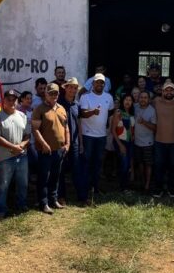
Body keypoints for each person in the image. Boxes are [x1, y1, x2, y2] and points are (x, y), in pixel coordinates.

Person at [0, 89, 31, 220]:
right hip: (5, 158)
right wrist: (13, 147)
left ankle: (21, 204)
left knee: (23, 183)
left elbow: (27, 135)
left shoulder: (22, 116)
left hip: (21, 155)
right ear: (4, 101)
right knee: (3, 184)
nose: (12, 101)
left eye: (14, 99)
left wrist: (22, 145)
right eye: (9, 99)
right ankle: (1, 210)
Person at [32, 83, 69, 214]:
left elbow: (66, 128)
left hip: (59, 149)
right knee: (44, 177)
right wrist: (44, 144)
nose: (53, 95)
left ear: (59, 94)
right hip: (45, 150)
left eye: (56, 93)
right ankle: (43, 203)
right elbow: (35, 130)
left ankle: (53, 200)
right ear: (46, 94)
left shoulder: (62, 108)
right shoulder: (39, 109)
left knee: (55, 176)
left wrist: (67, 144)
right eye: (51, 93)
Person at [79, 72, 114, 196]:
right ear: (92, 83)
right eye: (97, 82)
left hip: (101, 135)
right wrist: (93, 112)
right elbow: (82, 113)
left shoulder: (108, 97)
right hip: (88, 135)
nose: (99, 84)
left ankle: (96, 187)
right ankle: (86, 188)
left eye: (102, 82)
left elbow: (110, 112)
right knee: (87, 162)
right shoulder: (85, 97)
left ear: (104, 84)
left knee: (98, 162)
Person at [59, 77, 86, 205]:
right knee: (61, 170)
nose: (73, 90)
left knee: (77, 169)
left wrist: (80, 143)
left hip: (74, 142)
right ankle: (61, 197)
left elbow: (79, 124)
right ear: (66, 88)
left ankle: (82, 197)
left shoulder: (77, 105)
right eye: (70, 87)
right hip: (61, 143)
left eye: (75, 88)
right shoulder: (58, 104)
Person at [152, 80, 174, 197]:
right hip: (159, 140)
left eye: (171, 90)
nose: (169, 92)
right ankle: (158, 188)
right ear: (162, 91)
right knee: (159, 166)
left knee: (173, 166)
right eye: (166, 90)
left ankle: (172, 188)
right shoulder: (156, 101)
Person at [134, 90, 157, 193]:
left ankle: (147, 185)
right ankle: (142, 183)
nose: (143, 99)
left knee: (148, 164)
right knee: (140, 163)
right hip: (137, 141)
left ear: (149, 99)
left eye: (145, 97)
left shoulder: (152, 110)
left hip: (148, 142)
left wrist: (144, 122)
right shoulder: (135, 108)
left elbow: (154, 127)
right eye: (141, 97)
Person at [112, 92, 135, 191]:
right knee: (124, 164)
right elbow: (112, 130)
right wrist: (120, 145)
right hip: (120, 141)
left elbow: (132, 128)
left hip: (130, 142)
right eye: (126, 99)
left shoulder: (132, 114)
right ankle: (123, 187)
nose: (128, 102)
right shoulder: (118, 112)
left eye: (130, 100)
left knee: (128, 164)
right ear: (122, 101)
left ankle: (126, 186)